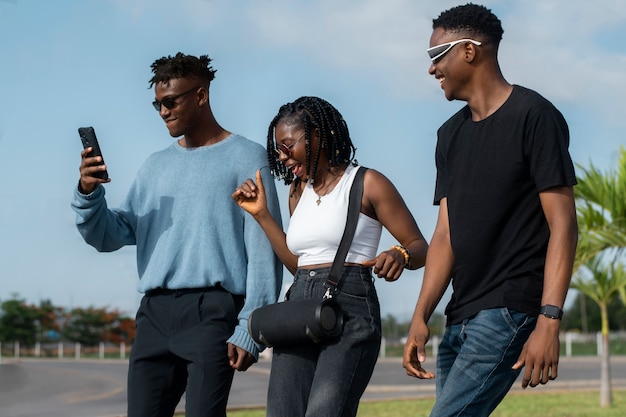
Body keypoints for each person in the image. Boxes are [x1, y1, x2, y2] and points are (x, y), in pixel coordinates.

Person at [71, 52, 282, 417]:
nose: (163, 111)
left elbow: (264, 253)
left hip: (213, 313)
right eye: (157, 105)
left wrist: (250, 326)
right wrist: (88, 193)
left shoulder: (247, 157)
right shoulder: (154, 167)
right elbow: (110, 235)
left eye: (170, 102)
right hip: (154, 314)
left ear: (200, 96)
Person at [402, 4, 578, 416]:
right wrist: (419, 315)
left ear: (469, 50)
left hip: (508, 309)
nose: (431, 70)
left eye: (435, 56)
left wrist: (548, 320)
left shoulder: (535, 116)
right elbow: (445, 234)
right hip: (459, 315)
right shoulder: (449, 136)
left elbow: (564, 225)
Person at [232, 95, 428, 416]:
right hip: (299, 308)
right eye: (277, 149)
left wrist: (400, 254)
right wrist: (262, 215)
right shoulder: (297, 192)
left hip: (351, 307)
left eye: (288, 145)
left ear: (317, 136)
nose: (282, 157)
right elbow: (300, 265)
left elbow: (420, 245)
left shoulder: (368, 183)